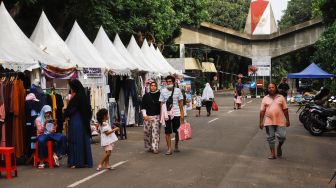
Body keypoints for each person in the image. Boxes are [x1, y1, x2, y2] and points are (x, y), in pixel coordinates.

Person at [64, 79, 93, 168]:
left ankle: (76, 162)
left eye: (72, 87)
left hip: (76, 122)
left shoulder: (76, 98)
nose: (71, 89)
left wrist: (65, 111)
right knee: (83, 141)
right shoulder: (84, 96)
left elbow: (69, 111)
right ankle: (85, 161)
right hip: (84, 123)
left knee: (76, 141)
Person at [259, 83, 290, 160]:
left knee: (282, 137)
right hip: (269, 121)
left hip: (280, 121)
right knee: (270, 138)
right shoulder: (265, 98)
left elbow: (285, 110)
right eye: (269, 88)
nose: (271, 89)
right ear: (268, 89)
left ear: (276, 88)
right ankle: (273, 154)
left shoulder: (281, 97)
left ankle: (279, 146)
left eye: (273, 87)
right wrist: (261, 122)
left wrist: (288, 120)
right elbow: (262, 111)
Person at [159, 75, 184, 155]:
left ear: (173, 82)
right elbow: (162, 103)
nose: (168, 83)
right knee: (167, 132)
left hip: (176, 114)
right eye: (167, 82)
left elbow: (180, 104)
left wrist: (182, 115)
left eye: (170, 81)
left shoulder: (178, 91)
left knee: (177, 131)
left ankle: (176, 145)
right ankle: (169, 149)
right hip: (167, 115)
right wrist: (161, 115)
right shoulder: (163, 91)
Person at [141, 81, 161, 154]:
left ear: (156, 86)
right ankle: (149, 147)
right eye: (152, 85)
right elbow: (143, 106)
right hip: (147, 116)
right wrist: (144, 115)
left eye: (154, 85)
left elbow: (162, 106)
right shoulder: (146, 96)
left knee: (155, 133)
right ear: (150, 87)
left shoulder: (160, 95)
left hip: (156, 116)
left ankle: (155, 147)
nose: (153, 87)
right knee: (147, 132)